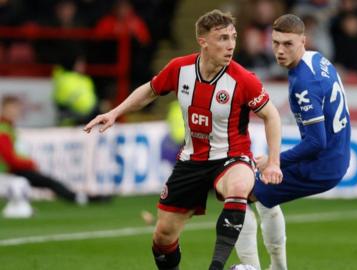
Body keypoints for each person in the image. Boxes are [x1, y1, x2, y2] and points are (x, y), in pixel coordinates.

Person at [83, 9, 283, 270]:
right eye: (222, 38)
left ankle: (217, 267)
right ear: (203, 42)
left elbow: (272, 116)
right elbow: (150, 90)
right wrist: (114, 112)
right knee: (163, 237)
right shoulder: (181, 68)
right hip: (192, 160)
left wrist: (274, 162)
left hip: (232, 156)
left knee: (238, 187)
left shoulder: (243, 79)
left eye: (233, 37)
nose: (231, 44)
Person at [235, 14, 351, 270]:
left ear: (303, 41)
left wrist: (274, 161)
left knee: (239, 193)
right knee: (264, 194)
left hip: (322, 163)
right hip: (336, 155)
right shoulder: (318, 60)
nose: (280, 50)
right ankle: (277, 267)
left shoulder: (303, 84)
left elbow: (316, 143)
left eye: (288, 44)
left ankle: (254, 267)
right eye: (276, 43)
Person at [0, 95, 105, 205]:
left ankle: (80, 198)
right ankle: (81, 198)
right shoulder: (3, 130)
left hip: (14, 170)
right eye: (12, 108)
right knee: (50, 182)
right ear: (4, 109)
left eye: (17, 108)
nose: (15, 112)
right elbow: (9, 158)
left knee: (50, 182)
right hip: (11, 172)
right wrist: (29, 163)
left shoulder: (9, 127)